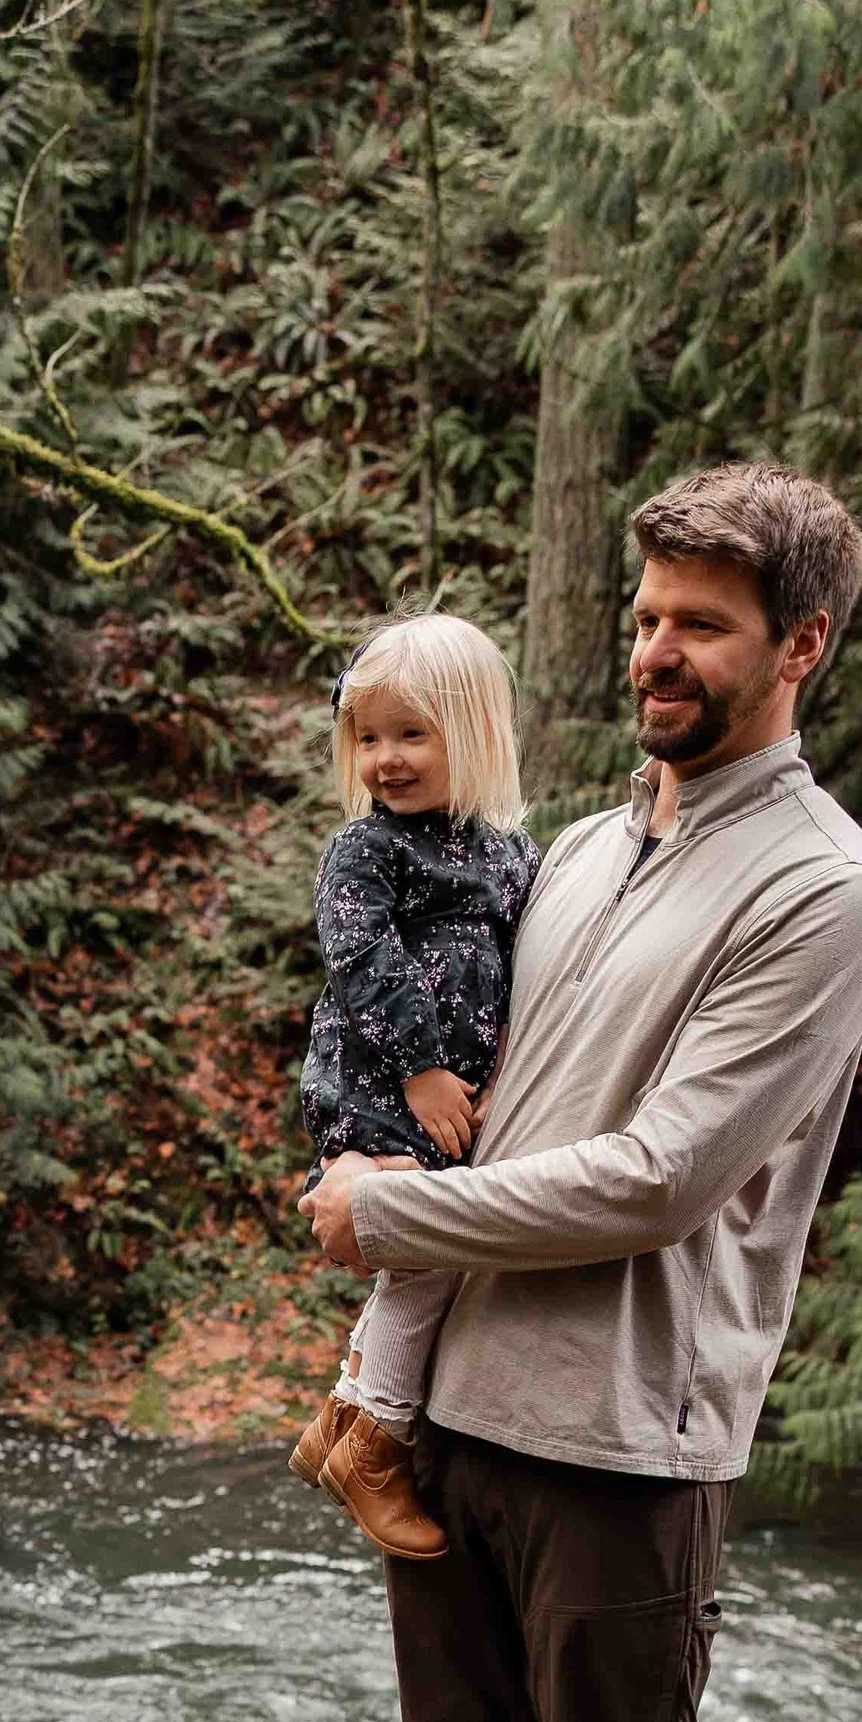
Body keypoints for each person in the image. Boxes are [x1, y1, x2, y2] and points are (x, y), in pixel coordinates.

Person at [305, 464, 862, 1722]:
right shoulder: (573, 848)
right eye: (644, 615)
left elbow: (659, 1180)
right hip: (457, 1402)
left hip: (630, 1426)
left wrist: (392, 1217)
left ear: (796, 648)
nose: (655, 648)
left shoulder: (820, 888)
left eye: (699, 624)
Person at [287, 615, 537, 1559]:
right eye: (369, 737)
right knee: (427, 1253)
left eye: (411, 734)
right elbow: (362, 959)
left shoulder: (506, 852)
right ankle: (378, 1438)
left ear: (471, 735)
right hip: (381, 1084)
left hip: (456, 1088)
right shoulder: (370, 850)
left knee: (432, 1254)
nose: (384, 760)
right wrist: (425, 1070)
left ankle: (339, 1421)